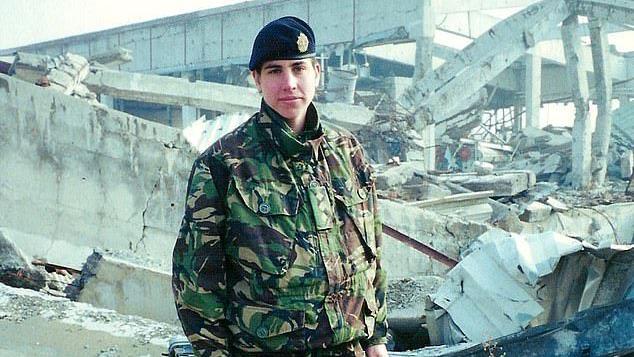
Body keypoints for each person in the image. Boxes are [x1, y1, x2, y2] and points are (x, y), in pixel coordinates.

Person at [172, 16, 388, 357]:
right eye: (274, 71)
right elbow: (197, 283)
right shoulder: (223, 165)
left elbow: (372, 249)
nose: (289, 82)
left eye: (298, 68)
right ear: (256, 79)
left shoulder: (347, 152)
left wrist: (376, 338)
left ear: (317, 72)